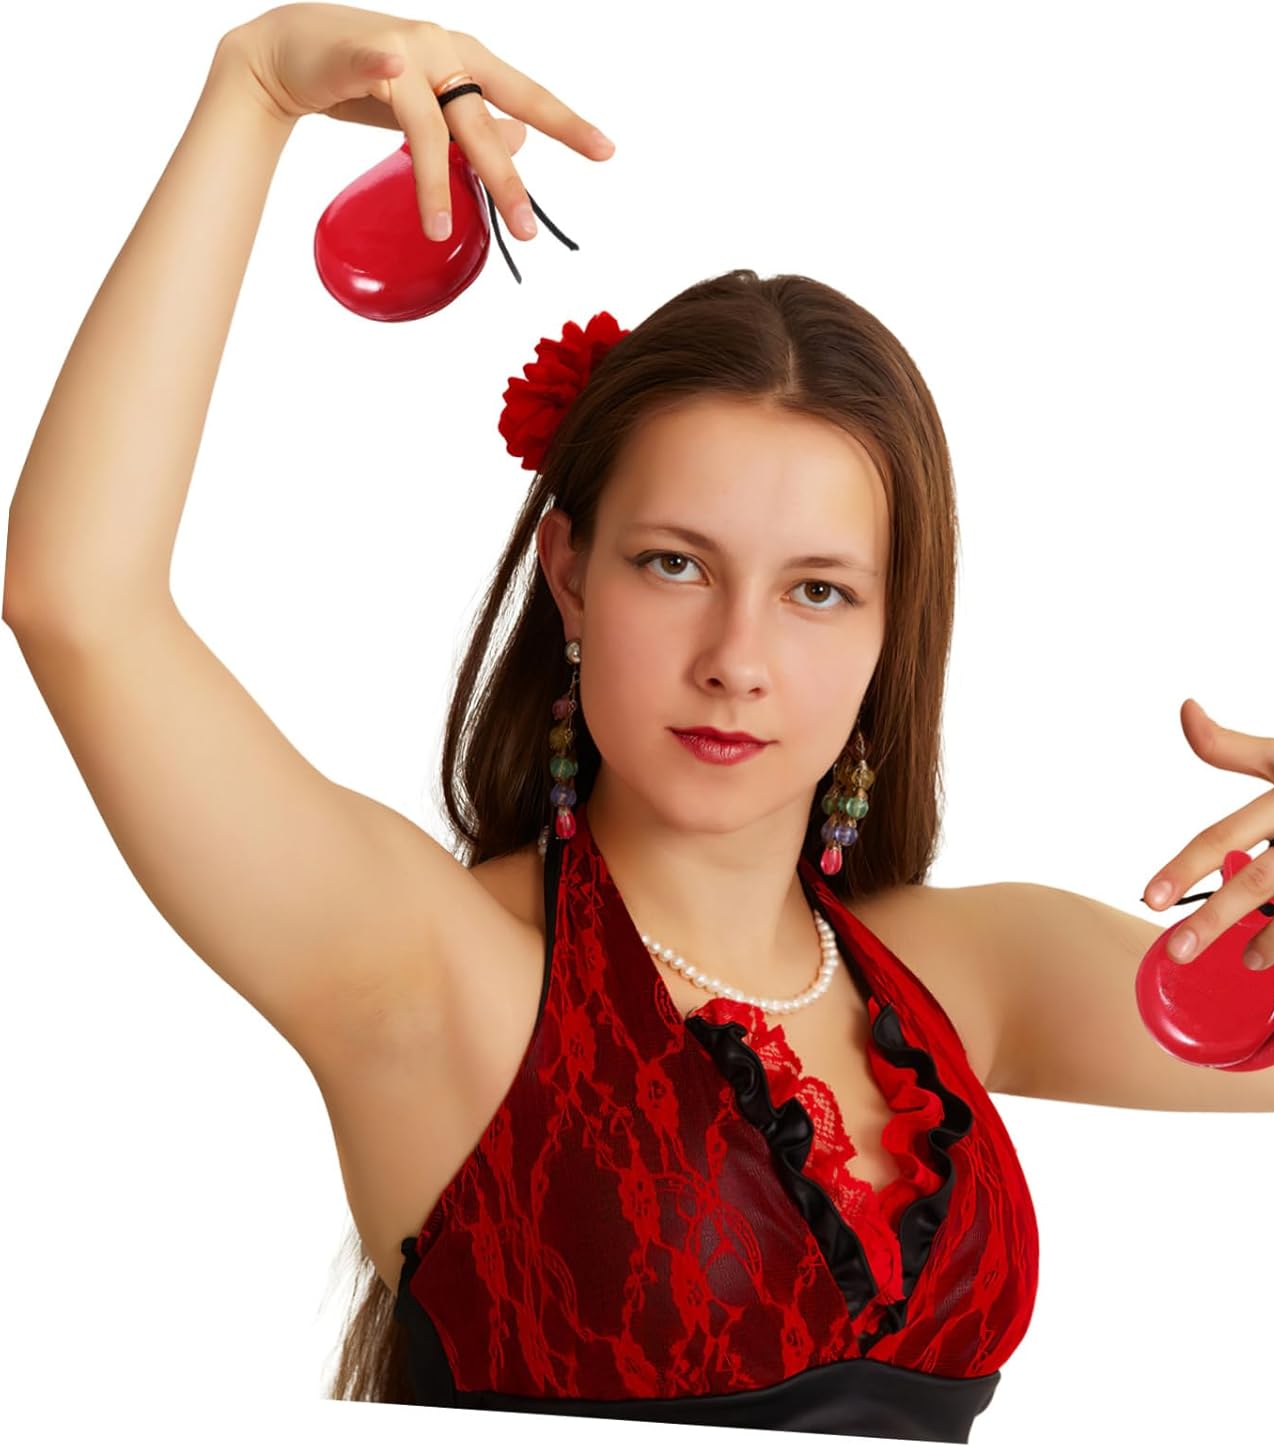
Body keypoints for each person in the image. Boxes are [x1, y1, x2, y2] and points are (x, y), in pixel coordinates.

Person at [2, 5, 1038, 1440]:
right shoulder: (444, 975)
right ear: (568, 574)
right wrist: (252, 92)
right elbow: (77, 602)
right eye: (674, 565)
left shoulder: (956, 973)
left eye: (818, 590)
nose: (737, 661)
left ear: (889, 628)